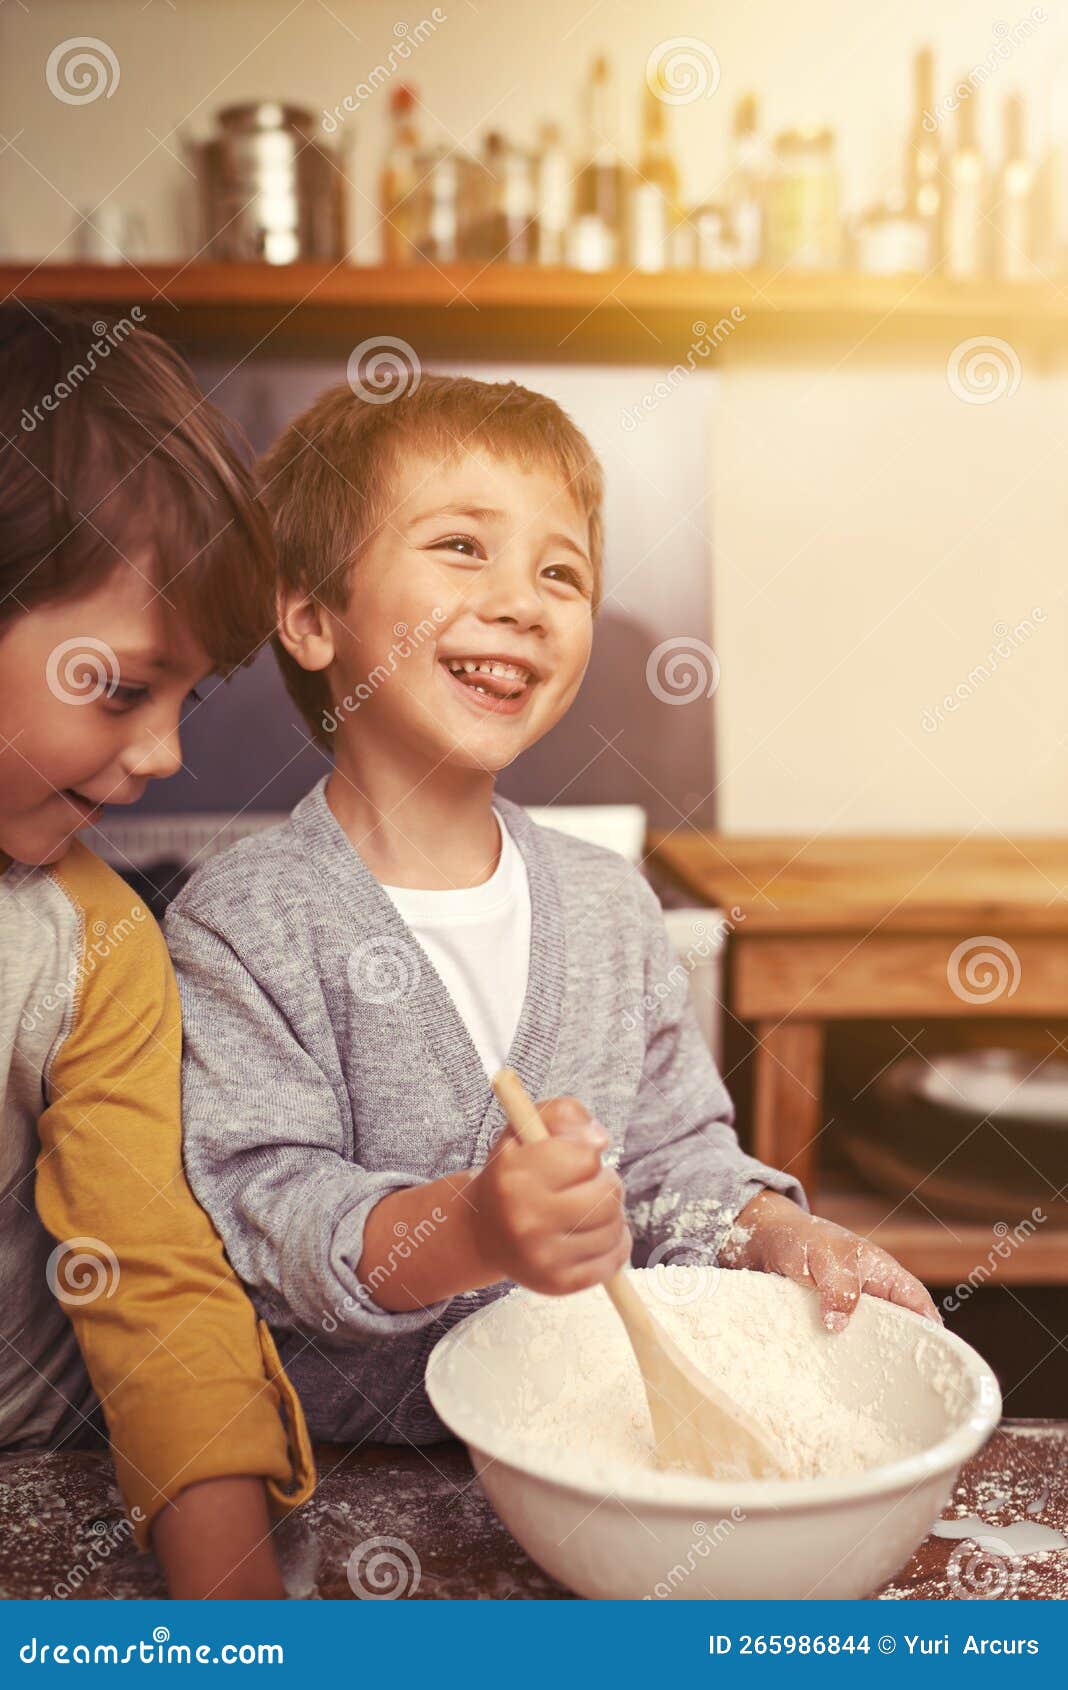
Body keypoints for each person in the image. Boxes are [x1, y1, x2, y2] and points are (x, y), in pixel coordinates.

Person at [166, 373, 940, 1448]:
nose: (524, 602)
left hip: (601, 1455)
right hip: (355, 1488)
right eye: (462, 547)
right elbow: (269, 1212)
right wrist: (474, 1225)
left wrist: (765, 1229)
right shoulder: (241, 924)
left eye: (562, 570)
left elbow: (674, 1169)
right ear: (307, 614)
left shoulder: (608, 907)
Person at [0, 304, 314, 1597]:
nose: (166, 752)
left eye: (191, 695)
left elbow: (160, 1293)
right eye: (126, 687)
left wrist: (233, 1633)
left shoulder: (97, 950)